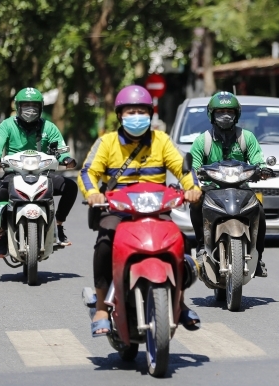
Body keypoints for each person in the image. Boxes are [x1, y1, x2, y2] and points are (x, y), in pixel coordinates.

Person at [78, 85, 203, 336]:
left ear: (150, 114)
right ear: (120, 115)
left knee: (181, 243)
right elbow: (88, 172)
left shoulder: (162, 140)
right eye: (130, 111)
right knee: (105, 243)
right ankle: (102, 307)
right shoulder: (107, 142)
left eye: (141, 111)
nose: (136, 116)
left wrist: (193, 190)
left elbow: (183, 170)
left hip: (156, 209)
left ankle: (178, 302)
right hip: (118, 210)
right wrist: (93, 194)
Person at [0, 87, 78, 258]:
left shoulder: (49, 127)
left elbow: (60, 147)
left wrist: (66, 159)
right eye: (26, 105)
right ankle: (1, 233)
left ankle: (58, 224)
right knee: (3, 192)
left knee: (70, 187)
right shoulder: (6, 125)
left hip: (43, 173)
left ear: (41, 108)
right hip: (14, 173)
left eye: (34, 106)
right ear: (18, 107)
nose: (30, 109)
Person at [189, 91, 268, 277]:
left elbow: (258, 160)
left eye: (229, 112)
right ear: (211, 114)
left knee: (261, 212)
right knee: (195, 206)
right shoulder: (203, 141)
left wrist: (262, 169)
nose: (225, 116)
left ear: (237, 115)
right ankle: (201, 248)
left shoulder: (247, 138)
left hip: (241, 188)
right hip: (212, 189)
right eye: (220, 112)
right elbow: (192, 166)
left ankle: (259, 257)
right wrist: (193, 176)